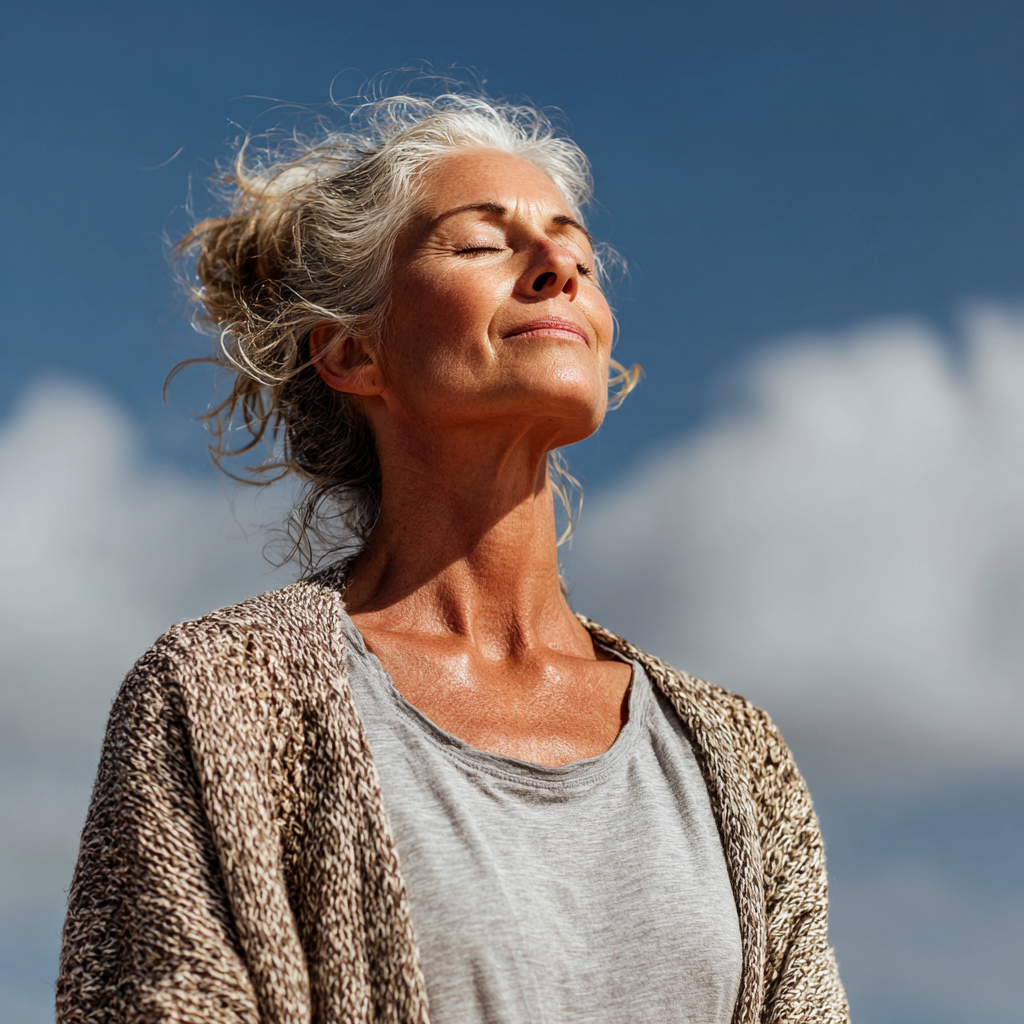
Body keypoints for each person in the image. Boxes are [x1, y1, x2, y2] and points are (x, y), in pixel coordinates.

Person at [57, 93, 848, 1024]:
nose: (558, 265)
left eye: (579, 255)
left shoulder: (740, 759)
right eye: (481, 244)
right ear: (353, 353)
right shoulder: (222, 697)